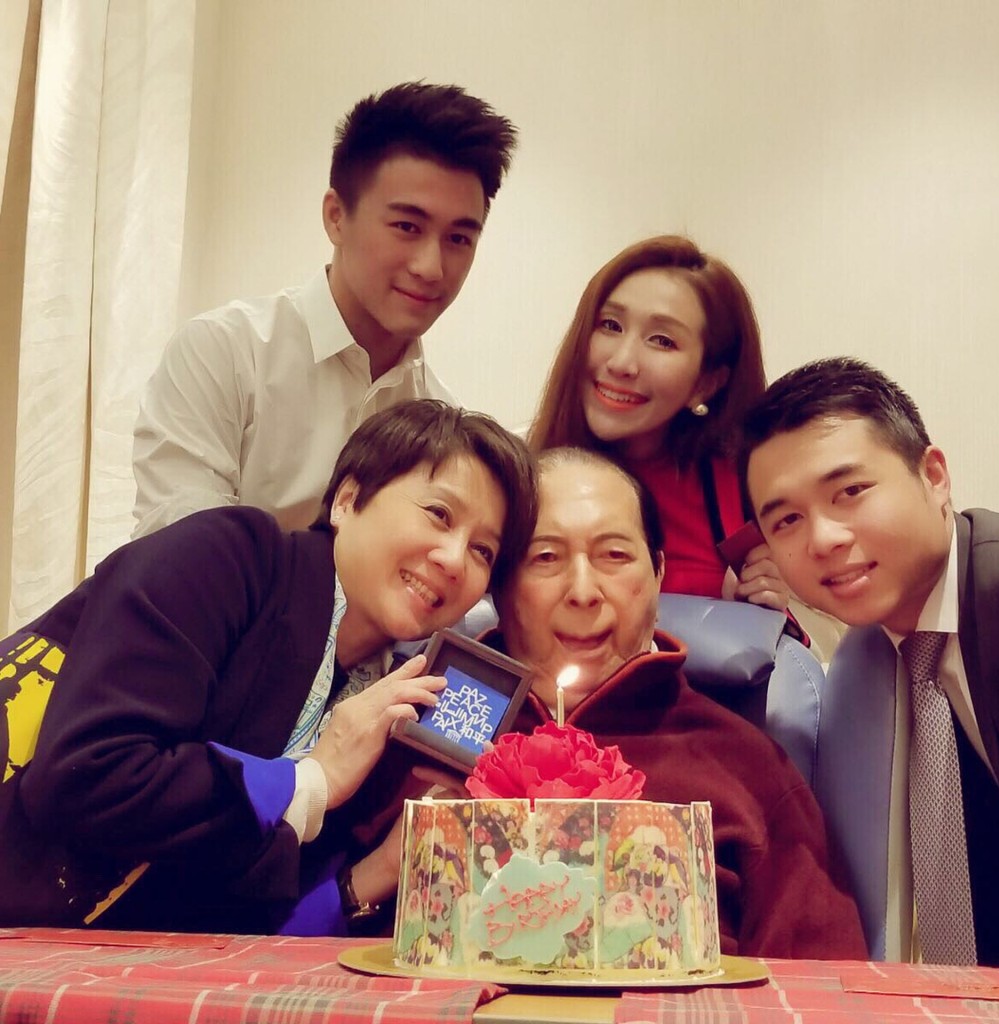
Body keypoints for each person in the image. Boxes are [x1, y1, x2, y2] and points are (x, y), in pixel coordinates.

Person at [0, 400, 536, 935]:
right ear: (347, 500)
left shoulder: (383, 706)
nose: (453, 559)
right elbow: (82, 775)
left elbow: (242, 922)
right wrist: (311, 780)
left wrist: (392, 862)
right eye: (439, 514)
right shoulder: (228, 557)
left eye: (483, 551)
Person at [484, 446, 867, 959]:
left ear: (659, 573)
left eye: (614, 556)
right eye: (545, 558)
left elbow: (819, 981)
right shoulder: (428, 729)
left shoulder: (745, 766)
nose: (583, 591)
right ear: (499, 585)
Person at [132, 82, 517, 537]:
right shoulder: (225, 354)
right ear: (336, 216)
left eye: (458, 239)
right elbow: (183, 555)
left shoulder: (443, 422)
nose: (431, 267)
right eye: (407, 226)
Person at [741, 356, 999, 967]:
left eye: (850, 492)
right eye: (787, 520)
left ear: (934, 476)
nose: (824, 538)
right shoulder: (868, 664)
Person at [527, 235, 790, 611]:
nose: (621, 363)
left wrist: (757, 605)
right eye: (610, 325)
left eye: (662, 341)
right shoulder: (519, 480)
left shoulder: (744, 490)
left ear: (706, 383)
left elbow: (788, 638)